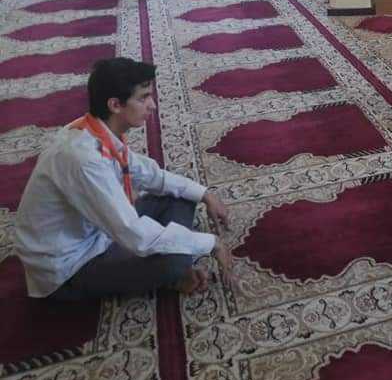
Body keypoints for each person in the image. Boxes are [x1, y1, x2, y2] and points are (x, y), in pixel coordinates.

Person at [14, 58, 235, 300]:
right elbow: (134, 234)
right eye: (143, 98)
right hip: (70, 265)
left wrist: (206, 194)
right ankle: (174, 276)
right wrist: (212, 243)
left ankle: (172, 262)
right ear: (115, 105)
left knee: (181, 197)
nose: (153, 106)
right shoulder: (84, 160)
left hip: (99, 231)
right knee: (174, 262)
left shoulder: (95, 130)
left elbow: (148, 174)